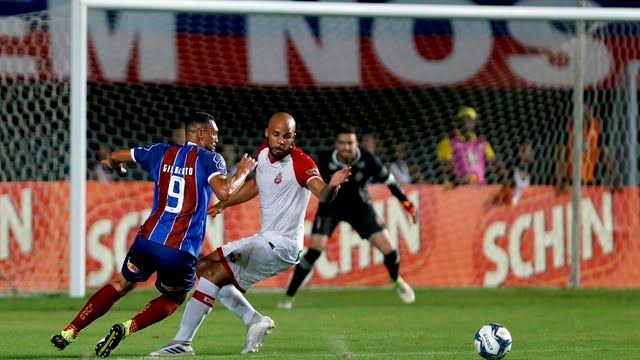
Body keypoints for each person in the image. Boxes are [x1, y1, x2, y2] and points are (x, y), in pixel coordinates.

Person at [50, 112, 257, 358]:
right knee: (176, 296)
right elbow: (225, 191)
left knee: (120, 284)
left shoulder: (160, 152)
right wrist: (242, 172)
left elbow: (115, 156)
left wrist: (118, 167)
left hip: (147, 241)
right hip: (179, 250)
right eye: (214, 133)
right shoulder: (211, 159)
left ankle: (70, 330)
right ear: (199, 133)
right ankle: (127, 327)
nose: (217, 138)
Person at [150, 112, 351, 356]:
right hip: (268, 241)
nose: (280, 141)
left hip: (281, 245)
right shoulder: (264, 152)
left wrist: (332, 186)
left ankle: (184, 341)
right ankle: (252, 321)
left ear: (293, 137)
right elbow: (256, 185)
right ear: (267, 133)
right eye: (276, 135)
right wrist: (227, 203)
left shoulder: (301, 163)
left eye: (286, 136)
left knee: (209, 269)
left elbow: (323, 194)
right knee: (210, 272)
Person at [277, 124, 418, 311]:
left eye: (350, 143)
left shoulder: (368, 159)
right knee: (315, 250)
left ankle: (396, 279)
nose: (346, 147)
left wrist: (408, 204)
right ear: (336, 144)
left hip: (360, 208)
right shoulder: (324, 159)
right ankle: (289, 297)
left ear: (356, 144)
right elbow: (302, 177)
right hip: (330, 207)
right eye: (342, 143)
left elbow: (391, 183)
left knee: (390, 251)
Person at [554, 106, 619, 193]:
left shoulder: (597, 129)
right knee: (561, 151)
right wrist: (560, 182)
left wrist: (614, 179)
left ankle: (615, 182)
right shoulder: (569, 127)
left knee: (605, 153)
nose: (585, 115)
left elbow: (605, 155)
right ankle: (561, 185)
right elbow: (561, 155)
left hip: (589, 181)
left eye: (587, 113)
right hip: (569, 181)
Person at [437, 106, 506, 186]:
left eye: (470, 119)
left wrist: (504, 177)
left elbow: (494, 162)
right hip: (456, 190)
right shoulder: (448, 141)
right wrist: (458, 181)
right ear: (457, 122)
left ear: (474, 122)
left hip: (479, 188)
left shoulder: (482, 142)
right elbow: (446, 164)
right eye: (463, 119)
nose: (466, 122)